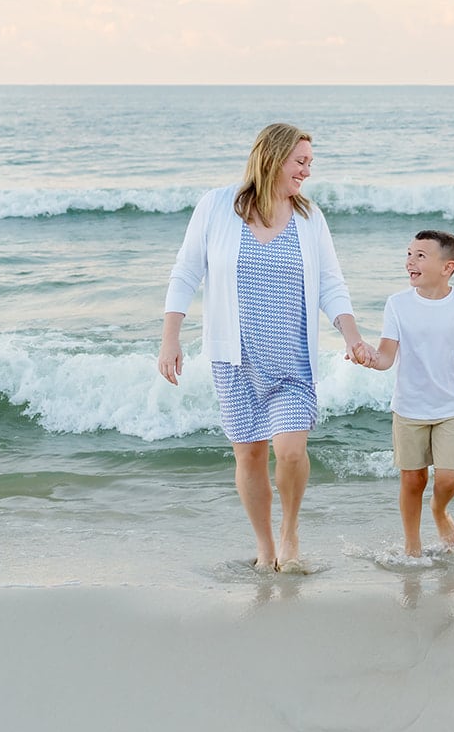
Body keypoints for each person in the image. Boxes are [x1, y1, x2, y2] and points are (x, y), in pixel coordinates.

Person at [157, 122, 372, 572]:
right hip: (235, 359)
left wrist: (351, 335)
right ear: (273, 158)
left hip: (292, 359)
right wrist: (170, 339)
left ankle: (290, 532)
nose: (307, 171)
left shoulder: (310, 218)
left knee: (291, 452)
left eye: (310, 162)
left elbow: (332, 284)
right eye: (301, 161)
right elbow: (186, 272)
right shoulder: (217, 206)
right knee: (250, 455)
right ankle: (265, 547)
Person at [358, 230, 454, 558]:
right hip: (410, 407)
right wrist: (370, 358)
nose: (410, 261)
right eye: (409, 253)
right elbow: (386, 356)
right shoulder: (397, 304)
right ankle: (412, 544)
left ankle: (440, 511)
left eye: (420, 256)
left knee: (447, 479)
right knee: (413, 479)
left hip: (452, 406)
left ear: (447, 267)